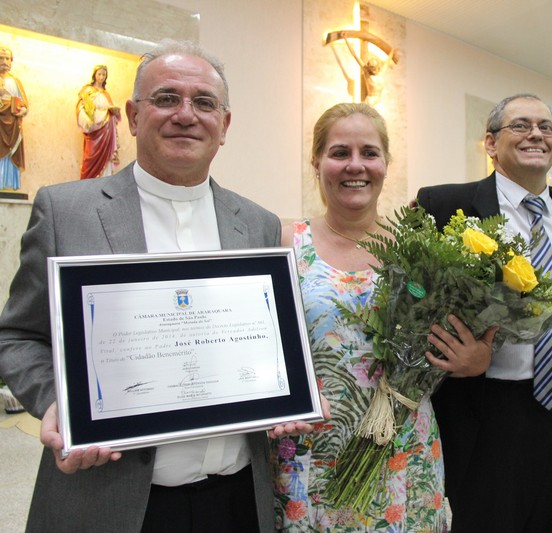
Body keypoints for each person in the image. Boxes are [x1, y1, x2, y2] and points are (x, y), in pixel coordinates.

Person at [0, 40, 318, 533]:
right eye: (166, 98)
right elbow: (18, 336)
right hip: (110, 498)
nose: (185, 115)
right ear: (130, 115)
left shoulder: (256, 223)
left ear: (225, 125)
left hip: (236, 498)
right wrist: (56, 403)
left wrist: (285, 391)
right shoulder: (67, 211)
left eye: (204, 103)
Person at [271, 102, 494, 531]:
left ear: (386, 164)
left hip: (402, 444)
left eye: (369, 153)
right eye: (339, 152)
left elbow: (459, 337)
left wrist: (476, 360)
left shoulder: (421, 250)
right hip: (310, 447)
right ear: (316, 162)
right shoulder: (284, 241)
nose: (356, 165)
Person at [416, 94, 552, 532]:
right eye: (520, 125)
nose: (536, 134)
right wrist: (455, 358)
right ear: (490, 143)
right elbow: (413, 300)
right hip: (489, 413)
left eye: (546, 126)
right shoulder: (446, 204)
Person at [76, 64, 121, 179]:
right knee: (90, 157)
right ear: (94, 75)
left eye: (104, 75)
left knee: (106, 161)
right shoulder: (88, 91)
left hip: (107, 131)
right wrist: (87, 120)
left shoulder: (106, 94)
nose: (101, 77)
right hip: (93, 132)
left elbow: (113, 114)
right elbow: (81, 108)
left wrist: (113, 111)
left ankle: (104, 181)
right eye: (99, 74)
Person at [0, 45, 28, 191]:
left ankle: (10, 184)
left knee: (12, 153)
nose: (4, 61)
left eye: (7, 58)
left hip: (13, 124)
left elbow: (24, 103)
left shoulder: (15, 81)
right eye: (1, 58)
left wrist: (23, 109)